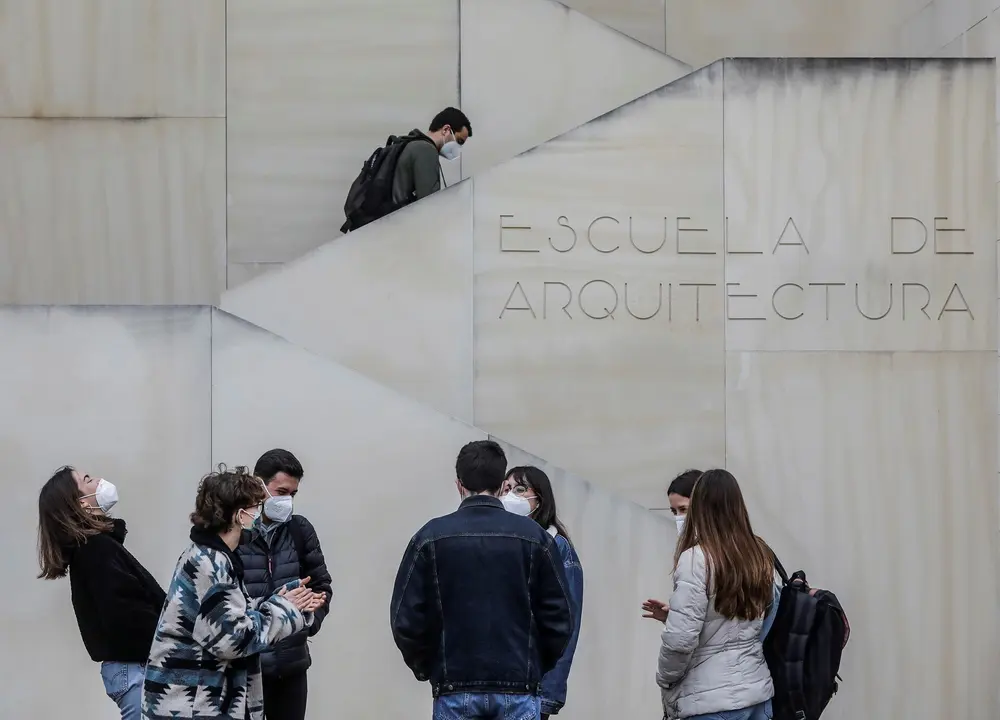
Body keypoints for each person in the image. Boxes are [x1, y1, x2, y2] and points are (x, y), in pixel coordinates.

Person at [390, 440, 574, 720]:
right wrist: (535, 666)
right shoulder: (536, 538)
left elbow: (406, 618)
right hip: (519, 687)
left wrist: (428, 667)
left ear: (458, 484)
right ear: (502, 486)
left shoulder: (430, 537)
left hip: (454, 686)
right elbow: (559, 617)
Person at [142, 465, 326, 720]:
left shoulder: (210, 557)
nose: (258, 516)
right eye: (255, 508)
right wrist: (286, 609)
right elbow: (234, 639)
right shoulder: (210, 565)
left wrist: (281, 601)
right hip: (191, 705)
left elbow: (229, 613)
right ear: (240, 515)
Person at [37, 466, 167, 720]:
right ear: (81, 505)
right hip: (139, 669)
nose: (98, 480)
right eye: (87, 480)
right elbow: (127, 615)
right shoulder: (95, 550)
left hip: (133, 668)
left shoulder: (96, 548)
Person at [656, 469, 775, 720]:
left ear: (700, 507)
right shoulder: (759, 554)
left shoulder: (695, 559)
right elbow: (762, 617)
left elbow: (679, 642)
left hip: (709, 701)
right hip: (756, 693)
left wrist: (665, 679)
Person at [237, 449, 333, 720]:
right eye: (281, 492)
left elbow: (321, 584)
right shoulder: (237, 532)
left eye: (292, 494)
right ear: (259, 486)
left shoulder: (300, 530)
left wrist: (309, 618)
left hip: (291, 665)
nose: (287, 501)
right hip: (247, 666)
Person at [500, 466, 584, 720]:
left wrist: (549, 694)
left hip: (532, 687)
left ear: (540, 498)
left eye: (520, 489)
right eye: (505, 489)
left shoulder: (557, 547)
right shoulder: (503, 539)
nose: (510, 495)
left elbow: (567, 624)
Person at [642, 469, 701, 622]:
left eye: (683, 509)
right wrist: (675, 617)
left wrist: (678, 623)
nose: (679, 518)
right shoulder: (691, 550)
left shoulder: (697, 556)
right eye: (674, 512)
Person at [391, 106, 472, 206]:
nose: (458, 148)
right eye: (459, 141)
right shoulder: (425, 150)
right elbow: (429, 205)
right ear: (446, 130)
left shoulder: (411, 144)